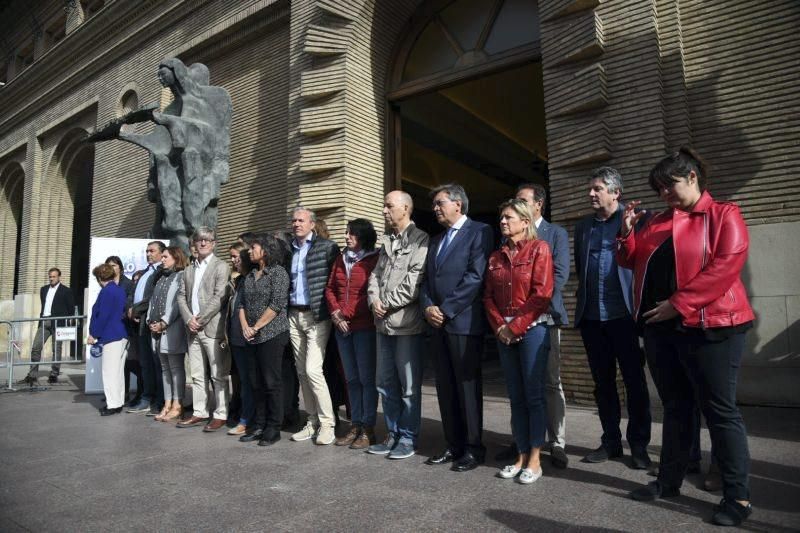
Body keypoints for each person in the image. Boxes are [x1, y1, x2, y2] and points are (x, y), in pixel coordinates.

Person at [620, 148, 754, 527]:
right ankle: (669, 480)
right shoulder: (658, 221)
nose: (665, 195)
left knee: (720, 411)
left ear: (692, 177)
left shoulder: (723, 213)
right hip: (661, 329)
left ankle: (738, 497)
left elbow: (726, 266)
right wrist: (627, 233)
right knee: (676, 407)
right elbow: (630, 262)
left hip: (713, 325)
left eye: (670, 185)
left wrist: (677, 304)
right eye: (659, 189)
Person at [573, 167, 651, 469]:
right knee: (602, 383)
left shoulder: (635, 220)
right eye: (590, 189)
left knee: (634, 382)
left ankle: (640, 446)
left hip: (625, 318)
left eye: (597, 189)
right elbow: (582, 269)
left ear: (615, 192)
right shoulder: (583, 227)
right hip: (593, 318)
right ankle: (610, 442)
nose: (591, 194)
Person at [421, 184, 494, 472]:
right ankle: (453, 445)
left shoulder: (480, 232)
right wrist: (428, 307)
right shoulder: (436, 240)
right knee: (445, 388)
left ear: (458, 205)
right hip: (437, 324)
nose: (436, 209)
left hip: (462, 322)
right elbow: (426, 280)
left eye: (440, 203)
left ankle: (474, 448)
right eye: (435, 205)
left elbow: (476, 276)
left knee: (466, 388)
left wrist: (446, 309)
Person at [484, 199, 554, 484]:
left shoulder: (540, 249)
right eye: (501, 217)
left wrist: (516, 326)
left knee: (533, 396)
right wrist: (501, 326)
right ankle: (521, 454)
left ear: (525, 221)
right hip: (505, 331)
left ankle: (535, 459)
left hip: (533, 329)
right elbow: (487, 296)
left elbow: (542, 293)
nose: (502, 221)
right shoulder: (495, 257)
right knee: (515, 396)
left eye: (508, 217)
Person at [366, 191, 429, 459]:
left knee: (409, 387)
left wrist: (386, 303)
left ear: (405, 208)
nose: (384, 210)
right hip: (382, 325)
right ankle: (391, 435)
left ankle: (407, 437)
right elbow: (374, 276)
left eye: (389, 206)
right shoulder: (387, 241)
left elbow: (414, 282)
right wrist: (373, 301)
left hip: (407, 326)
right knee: (384, 383)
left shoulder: (420, 239)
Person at [513, 184, 571, 468]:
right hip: (515, 323)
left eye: (522, 200)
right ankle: (523, 440)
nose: (516, 203)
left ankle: (556, 443)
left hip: (545, 318)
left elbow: (558, 275)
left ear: (539, 205)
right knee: (522, 383)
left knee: (549, 381)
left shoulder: (555, 233)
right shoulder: (511, 235)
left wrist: (531, 305)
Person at [324, 218, 380, 449]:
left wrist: (346, 313)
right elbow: (330, 289)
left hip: (364, 327)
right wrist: (336, 313)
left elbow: (370, 293)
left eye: (352, 234)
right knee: (351, 379)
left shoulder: (374, 259)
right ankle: (355, 424)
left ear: (363, 236)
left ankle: (368, 428)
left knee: (367, 380)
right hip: (342, 328)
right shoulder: (340, 259)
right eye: (347, 233)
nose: (347, 237)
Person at [286, 207, 340, 446]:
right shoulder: (289, 249)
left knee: (312, 371)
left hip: (317, 316)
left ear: (312, 224)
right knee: (301, 372)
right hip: (293, 315)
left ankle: (328, 424)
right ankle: (312, 421)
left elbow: (334, 282)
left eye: (301, 220)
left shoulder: (326, 248)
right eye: (294, 220)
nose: (296, 224)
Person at [237, 235, 291, 446]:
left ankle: (273, 427)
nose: (249, 251)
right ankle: (258, 425)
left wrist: (256, 327)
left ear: (266, 250)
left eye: (254, 248)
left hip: (272, 334)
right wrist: (245, 327)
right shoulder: (250, 275)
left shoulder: (278, 273)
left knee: (271, 382)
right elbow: (241, 304)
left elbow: (277, 305)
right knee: (255, 382)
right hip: (251, 336)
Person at [177, 226, 232, 432]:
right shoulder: (189, 269)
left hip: (212, 328)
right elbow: (181, 296)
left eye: (207, 240)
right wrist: (189, 319)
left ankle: (221, 413)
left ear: (214, 244)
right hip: (192, 328)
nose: (203, 243)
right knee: (198, 374)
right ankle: (199, 411)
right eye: (200, 240)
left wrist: (199, 318)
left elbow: (220, 296)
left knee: (218, 374)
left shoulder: (221, 266)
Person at [147, 246, 189, 422]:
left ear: (176, 257)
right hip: (156, 329)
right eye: (162, 257)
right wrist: (150, 320)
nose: (162, 259)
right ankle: (167, 403)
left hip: (172, 328)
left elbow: (177, 305)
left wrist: (164, 322)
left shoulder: (181, 276)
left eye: (165, 256)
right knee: (165, 369)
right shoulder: (161, 278)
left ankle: (178, 404)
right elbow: (153, 301)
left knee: (175, 367)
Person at [127, 241, 167, 415]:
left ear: (161, 253)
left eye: (152, 251)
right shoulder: (144, 273)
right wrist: (130, 308)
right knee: (145, 363)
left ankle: (159, 400)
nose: (148, 254)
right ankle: (146, 397)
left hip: (153, 322)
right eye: (147, 251)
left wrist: (135, 309)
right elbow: (132, 293)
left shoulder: (160, 273)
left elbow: (151, 298)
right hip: (139, 323)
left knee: (156, 364)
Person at [86, 264, 129, 416]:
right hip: (122, 334)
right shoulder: (119, 290)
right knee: (118, 372)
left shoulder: (106, 292)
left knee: (110, 372)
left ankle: (113, 404)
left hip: (111, 335)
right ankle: (118, 401)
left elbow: (102, 315)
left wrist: (94, 334)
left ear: (99, 278)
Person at [21, 268, 75, 385]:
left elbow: (71, 309)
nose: (51, 279)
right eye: (50, 276)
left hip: (58, 323)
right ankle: (32, 375)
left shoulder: (66, 291)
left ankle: (54, 374)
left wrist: (65, 322)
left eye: (54, 276)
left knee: (57, 350)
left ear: (59, 277)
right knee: (36, 347)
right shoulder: (44, 289)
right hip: (44, 321)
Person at [226, 242, 255, 436]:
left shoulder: (251, 280)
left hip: (248, 337)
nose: (234, 261)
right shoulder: (239, 281)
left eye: (237, 257)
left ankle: (247, 419)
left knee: (249, 382)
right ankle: (244, 415)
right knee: (243, 381)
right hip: (235, 337)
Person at [106, 256, 142, 406]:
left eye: (114, 266)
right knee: (119, 365)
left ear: (120, 267)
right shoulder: (108, 284)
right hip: (113, 329)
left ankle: (141, 391)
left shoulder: (127, 284)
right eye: (108, 266)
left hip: (127, 328)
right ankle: (120, 394)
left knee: (131, 362)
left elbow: (129, 302)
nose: (111, 268)